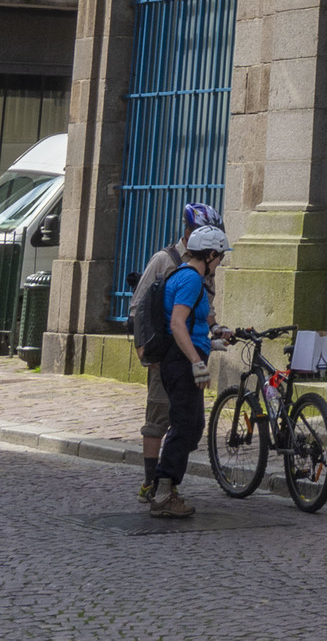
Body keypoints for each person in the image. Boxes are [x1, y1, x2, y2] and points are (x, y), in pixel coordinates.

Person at [129, 201, 223, 502]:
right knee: (159, 418)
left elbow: (200, 305)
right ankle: (152, 484)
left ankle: (166, 481)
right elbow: (139, 309)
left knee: (188, 422)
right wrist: (146, 352)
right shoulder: (165, 260)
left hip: (187, 352)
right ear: (189, 232)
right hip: (166, 354)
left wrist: (215, 330)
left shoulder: (204, 267)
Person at [148, 222, 231, 519]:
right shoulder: (192, 280)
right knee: (185, 426)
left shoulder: (188, 276)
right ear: (209, 255)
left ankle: (165, 488)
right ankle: (163, 492)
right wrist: (196, 362)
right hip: (181, 362)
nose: (220, 263)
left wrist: (213, 337)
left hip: (183, 358)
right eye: (220, 257)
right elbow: (177, 323)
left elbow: (194, 321)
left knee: (191, 425)